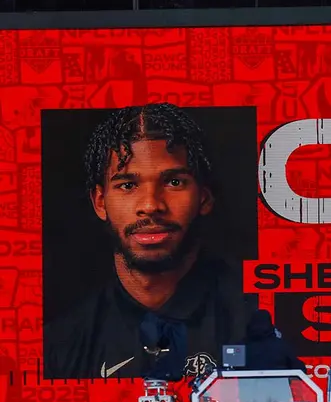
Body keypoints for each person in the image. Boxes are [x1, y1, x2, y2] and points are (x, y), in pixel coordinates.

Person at [44, 103, 256, 380]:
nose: (150, 205)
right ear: (100, 202)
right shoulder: (61, 345)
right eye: (128, 185)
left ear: (204, 198)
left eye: (174, 182)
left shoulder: (255, 319)